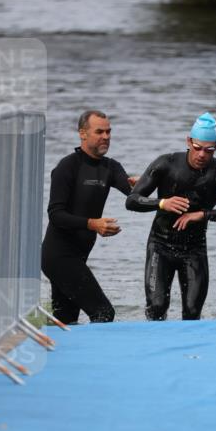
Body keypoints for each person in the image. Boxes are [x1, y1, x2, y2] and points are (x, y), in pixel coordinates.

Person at [125, 113, 216, 320]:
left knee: (192, 312)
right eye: (198, 147)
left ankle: (189, 353)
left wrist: (203, 215)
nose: (202, 154)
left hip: (194, 249)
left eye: (209, 150)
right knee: (156, 307)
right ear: (189, 141)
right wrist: (163, 203)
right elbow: (132, 200)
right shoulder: (166, 163)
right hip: (160, 245)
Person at [41, 109, 134, 324]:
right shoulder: (68, 166)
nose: (106, 137)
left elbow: (133, 196)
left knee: (65, 320)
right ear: (82, 134)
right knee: (103, 312)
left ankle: (60, 354)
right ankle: (99, 357)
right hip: (58, 256)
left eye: (109, 132)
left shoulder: (111, 167)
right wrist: (93, 224)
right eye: (99, 131)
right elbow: (56, 215)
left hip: (78, 255)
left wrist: (146, 185)